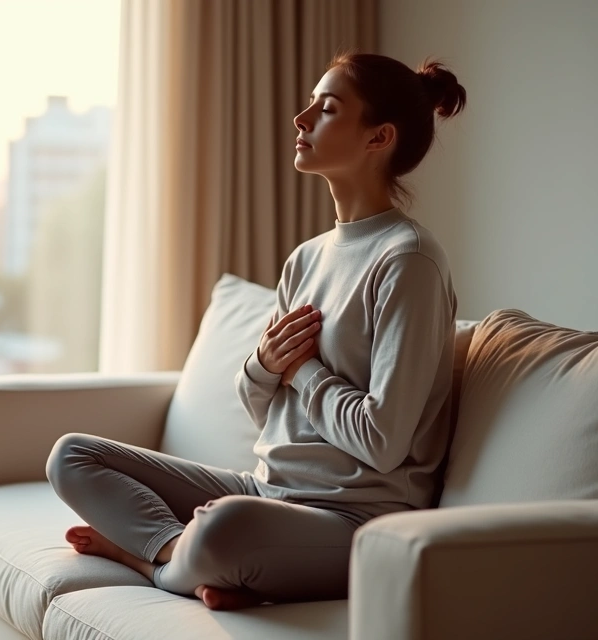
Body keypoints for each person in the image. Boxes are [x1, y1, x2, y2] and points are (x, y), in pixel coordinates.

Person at [46, 52, 466, 611]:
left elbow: (382, 443)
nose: (301, 118)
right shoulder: (305, 260)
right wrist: (265, 366)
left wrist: (305, 372)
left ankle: (146, 558)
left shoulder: (408, 261)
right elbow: (262, 411)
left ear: (378, 138)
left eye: (327, 108)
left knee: (226, 526)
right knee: (72, 456)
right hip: (266, 490)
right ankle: (180, 553)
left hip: (355, 520)